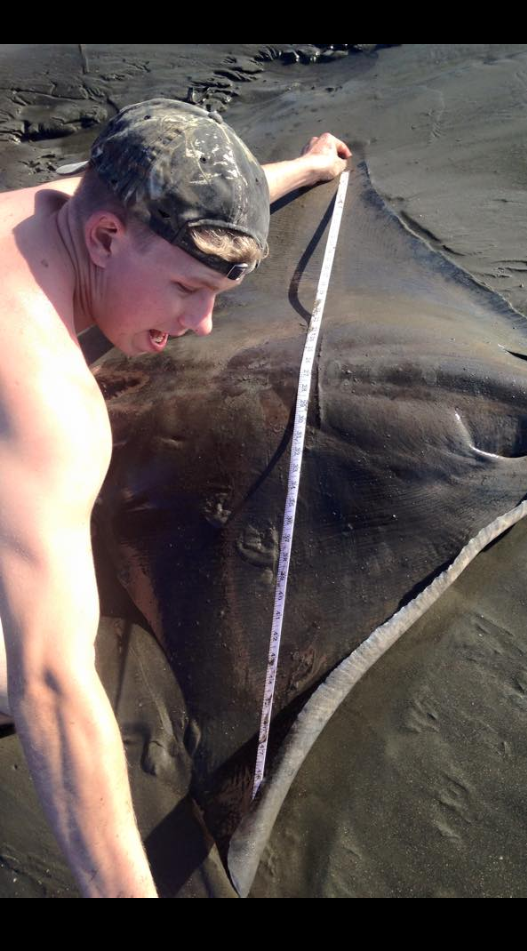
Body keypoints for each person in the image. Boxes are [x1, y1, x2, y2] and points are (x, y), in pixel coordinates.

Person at [0, 98, 351, 897]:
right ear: (104, 240)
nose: (202, 323)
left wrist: (304, 170)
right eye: (188, 288)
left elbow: (160, 190)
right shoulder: (51, 408)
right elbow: (51, 685)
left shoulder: (53, 207)